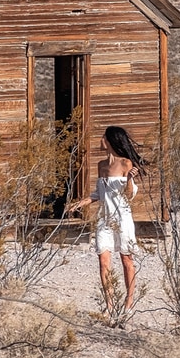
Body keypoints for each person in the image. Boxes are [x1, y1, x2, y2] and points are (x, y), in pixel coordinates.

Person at [69, 125, 145, 312]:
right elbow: (100, 193)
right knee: (103, 260)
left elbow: (129, 194)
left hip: (122, 217)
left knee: (126, 259)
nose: (101, 140)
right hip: (104, 217)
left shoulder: (126, 164)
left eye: (104, 137)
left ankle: (129, 302)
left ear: (111, 140)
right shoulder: (101, 165)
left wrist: (128, 179)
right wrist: (82, 202)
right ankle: (110, 304)